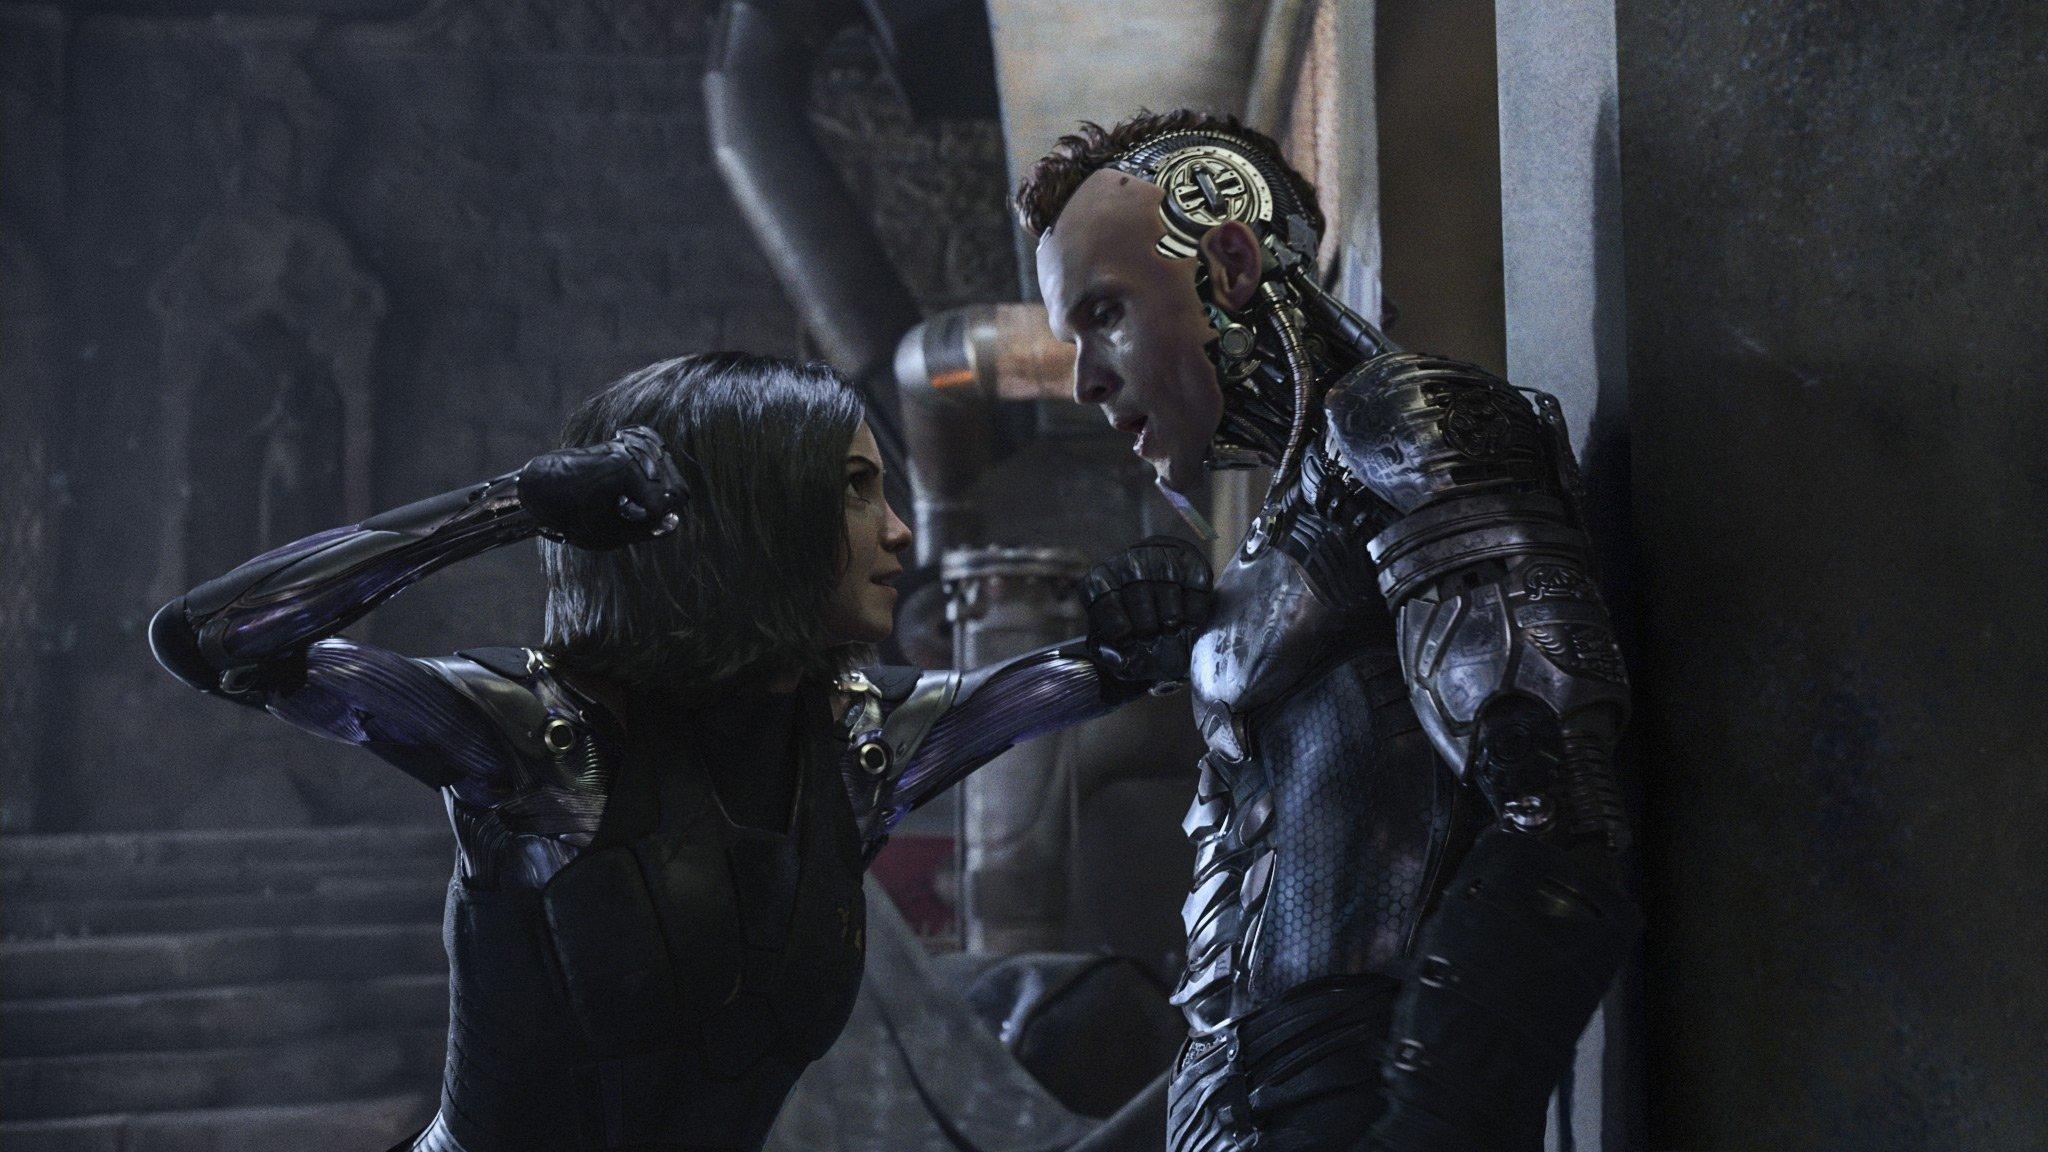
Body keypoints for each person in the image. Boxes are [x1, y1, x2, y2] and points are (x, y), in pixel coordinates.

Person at [148, 352, 1213, 1152]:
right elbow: (215, 640)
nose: (898, 531)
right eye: (853, 489)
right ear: (751, 513)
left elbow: (1116, 667)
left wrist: (1154, 613)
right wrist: (512, 507)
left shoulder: (859, 741)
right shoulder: (544, 738)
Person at [1018, 112, 1640, 1152]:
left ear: (1228, 263)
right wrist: (1171, 631)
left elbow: (1558, 813)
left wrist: (1430, 1126)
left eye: (1104, 313)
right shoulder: (1288, 519)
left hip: (1352, 1098)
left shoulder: (1403, 424)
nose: (1085, 379)